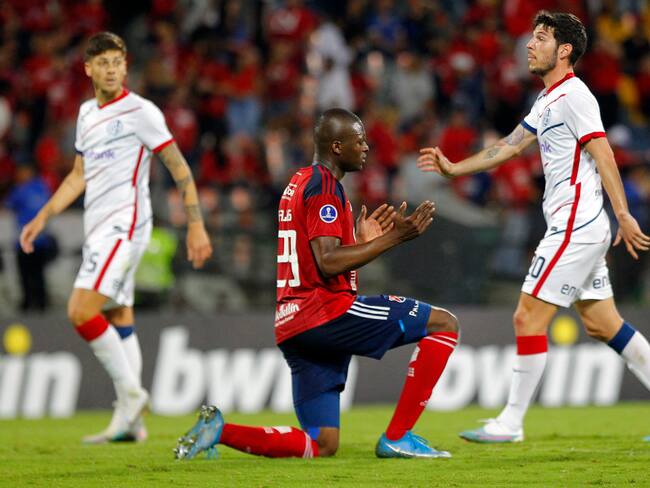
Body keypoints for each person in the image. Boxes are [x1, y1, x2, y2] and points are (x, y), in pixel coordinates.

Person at [418, 11, 650, 443]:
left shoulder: (577, 96)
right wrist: (455, 169)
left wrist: (623, 214)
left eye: (540, 37)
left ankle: (511, 422)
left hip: (576, 226)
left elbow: (604, 155)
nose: (529, 44)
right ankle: (511, 421)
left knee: (527, 316)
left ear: (564, 50)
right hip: (577, 225)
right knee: (603, 324)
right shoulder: (547, 100)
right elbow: (509, 146)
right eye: (530, 37)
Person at [174, 108, 459, 460]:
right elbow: (327, 263)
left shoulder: (299, 183)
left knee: (321, 444)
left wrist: (358, 241)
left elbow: (321, 259)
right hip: (324, 313)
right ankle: (399, 437)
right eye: (359, 141)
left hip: (293, 324)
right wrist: (395, 239)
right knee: (444, 324)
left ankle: (219, 430)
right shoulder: (324, 186)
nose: (367, 147)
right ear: (337, 146)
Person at [19, 32, 213, 443]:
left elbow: (179, 168)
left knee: (79, 310)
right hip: (98, 228)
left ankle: (131, 394)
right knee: (117, 315)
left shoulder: (142, 112)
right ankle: (132, 424)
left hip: (124, 228)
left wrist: (195, 222)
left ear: (125, 66)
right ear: (88, 68)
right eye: (102, 62)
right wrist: (44, 216)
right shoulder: (87, 113)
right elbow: (78, 176)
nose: (110, 69)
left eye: (116, 62)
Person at [5, 163, 57, 312]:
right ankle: (40, 303)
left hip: (26, 240)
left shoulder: (20, 190)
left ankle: (29, 303)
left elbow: (8, 205)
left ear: (28, 171)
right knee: (38, 274)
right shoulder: (42, 187)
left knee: (27, 274)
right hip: (41, 240)